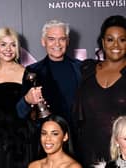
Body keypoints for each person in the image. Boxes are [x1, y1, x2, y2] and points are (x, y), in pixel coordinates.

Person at [16, 20, 81, 157]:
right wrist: (27, 100)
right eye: (51, 39)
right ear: (43, 41)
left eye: (62, 39)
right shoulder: (33, 71)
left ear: (68, 41)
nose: (57, 44)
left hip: (77, 143)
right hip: (47, 146)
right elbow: (20, 113)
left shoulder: (81, 68)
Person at [72, 15, 126, 168]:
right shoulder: (87, 69)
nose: (116, 44)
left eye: (122, 40)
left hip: (120, 156)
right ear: (102, 42)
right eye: (110, 39)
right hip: (88, 153)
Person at [0, 27, 34, 168]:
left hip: (18, 137)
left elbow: (28, 109)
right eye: (3, 44)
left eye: (13, 45)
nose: (8, 49)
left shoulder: (26, 72)